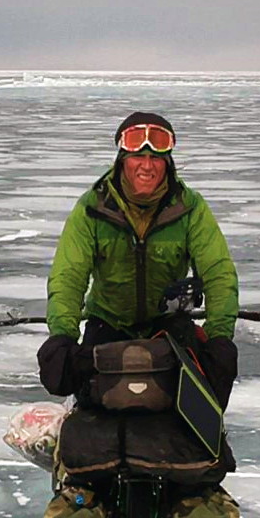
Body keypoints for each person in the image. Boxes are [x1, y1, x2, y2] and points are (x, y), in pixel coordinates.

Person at [36, 111, 239, 406]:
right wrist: (63, 337)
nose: (147, 166)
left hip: (169, 328)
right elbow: (69, 275)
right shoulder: (92, 209)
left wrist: (219, 336)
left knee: (198, 405)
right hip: (108, 325)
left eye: (156, 158)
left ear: (167, 162)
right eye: (137, 156)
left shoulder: (190, 209)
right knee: (92, 406)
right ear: (122, 159)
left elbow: (218, 272)